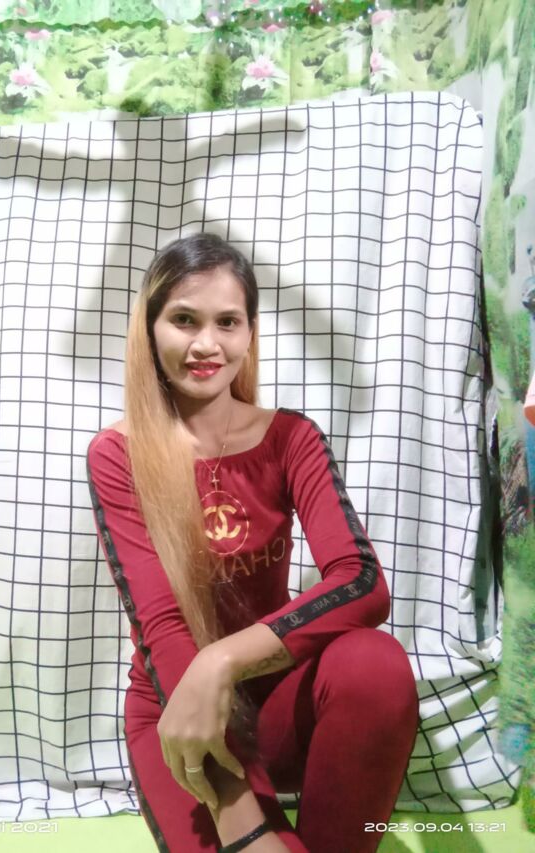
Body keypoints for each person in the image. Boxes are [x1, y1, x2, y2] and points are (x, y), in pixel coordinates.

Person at [86, 233, 419, 853]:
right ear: (150, 330)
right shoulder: (117, 455)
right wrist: (247, 823)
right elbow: (161, 626)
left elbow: (361, 582)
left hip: (279, 701)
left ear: (249, 333)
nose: (206, 344)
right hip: (178, 709)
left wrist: (223, 659)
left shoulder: (292, 438)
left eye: (227, 322)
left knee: (375, 663)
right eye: (184, 320)